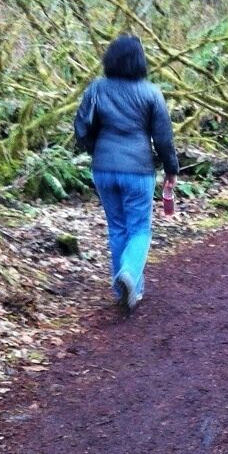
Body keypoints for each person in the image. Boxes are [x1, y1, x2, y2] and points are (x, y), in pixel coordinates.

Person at [74, 34, 178, 311]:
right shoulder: (151, 92)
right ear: (140, 61)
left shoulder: (97, 88)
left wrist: (97, 150)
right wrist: (171, 169)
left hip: (104, 169)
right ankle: (130, 275)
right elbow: (164, 138)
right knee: (140, 228)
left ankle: (125, 293)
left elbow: (81, 128)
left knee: (118, 228)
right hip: (139, 169)